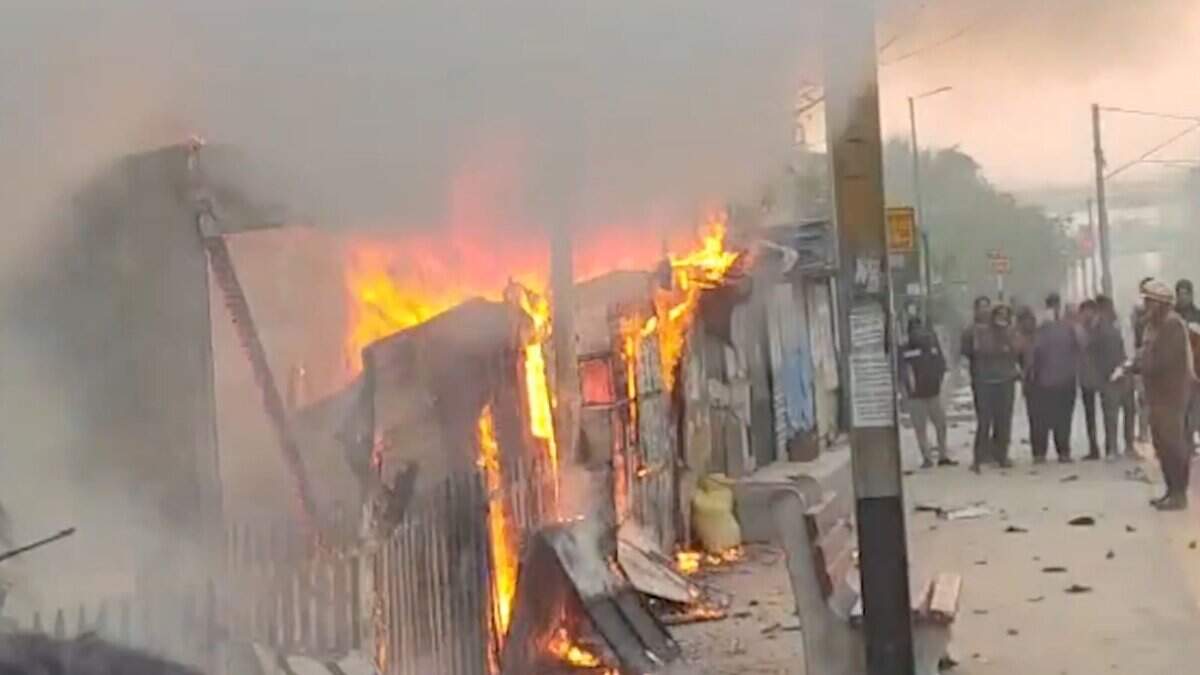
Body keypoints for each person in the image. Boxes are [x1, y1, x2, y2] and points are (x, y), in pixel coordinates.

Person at [1133, 279, 1194, 510]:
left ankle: (1179, 493)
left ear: (1161, 304)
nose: (1146, 306)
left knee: (1173, 444)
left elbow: (1162, 361)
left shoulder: (1172, 326)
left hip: (1172, 394)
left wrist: (1140, 366)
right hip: (1157, 395)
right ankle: (1170, 490)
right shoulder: (1153, 326)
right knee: (1161, 444)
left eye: (1150, 302)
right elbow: (1144, 353)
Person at [1029, 292, 1080, 464]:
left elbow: (1079, 346)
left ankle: (1054, 452)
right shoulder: (1044, 327)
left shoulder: (1063, 327)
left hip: (1056, 379)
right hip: (1052, 380)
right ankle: (1051, 452)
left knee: (1058, 418)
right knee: (1051, 419)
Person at [970, 304, 1020, 473]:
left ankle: (1002, 455)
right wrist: (1002, 346)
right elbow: (982, 350)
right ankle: (978, 457)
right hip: (986, 382)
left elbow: (1016, 350)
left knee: (1004, 421)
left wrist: (1007, 340)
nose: (1002, 318)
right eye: (999, 315)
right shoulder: (983, 332)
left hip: (1006, 381)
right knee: (984, 421)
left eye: (1005, 315)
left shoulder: (1011, 332)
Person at [902, 318, 955, 469]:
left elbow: (941, 365)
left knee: (940, 425)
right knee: (922, 428)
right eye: (915, 330)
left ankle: (941, 456)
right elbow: (902, 372)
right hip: (916, 396)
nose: (918, 333)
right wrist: (905, 390)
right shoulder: (905, 349)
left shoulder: (932, 346)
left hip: (932, 393)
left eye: (920, 329)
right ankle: (928, 457)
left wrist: (939, 381)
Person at [1092, 295, 1136, 460]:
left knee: (1128, 411)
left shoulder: (1120, 325)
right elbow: (1095, 354)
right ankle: (1113, 447)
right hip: (1110, 376)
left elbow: (1129, 348)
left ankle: (1126, 446)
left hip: (1123, 373)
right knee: (1112, 414)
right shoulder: (1098, 328)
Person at [961, 295, 993, 462]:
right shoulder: (970, 331)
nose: (985, 310)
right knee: (984, 418)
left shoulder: (996, 329)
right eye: (982, 307)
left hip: (998, 379)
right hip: (980, 380)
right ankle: (980, 453)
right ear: (976, 310)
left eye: (987, 306)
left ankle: (996, 452)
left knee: (999, 418)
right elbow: (965, 355)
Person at [1076, 299, 1103, 460]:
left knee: (1107, 412)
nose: (1087, 315)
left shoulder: (1100, 328)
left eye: (1089, 311)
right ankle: (1093, 446)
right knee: (1090, 414)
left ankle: (1109, 445)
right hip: (1086, 376)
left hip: (1102, 375)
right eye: (1084, 312)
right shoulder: (1079, 330)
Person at [1175, 279, 1200, 454]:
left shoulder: (1198, 316)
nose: (1183, 297)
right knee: (1179, 410)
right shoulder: (1172, 317)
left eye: (1186, 294)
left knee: (1195, 408)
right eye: (1180, 294)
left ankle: (1192, 441)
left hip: (1196, 370)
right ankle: (1182, 442)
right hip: (1177, 371)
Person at [1014, 306, 1040, 446]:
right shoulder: (1018, 338)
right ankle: (1038, 447)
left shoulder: (1039, 335)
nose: (1027, 323)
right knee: (1034, 416)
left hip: (1043, 379)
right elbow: (1015, 360)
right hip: (1030, 381)